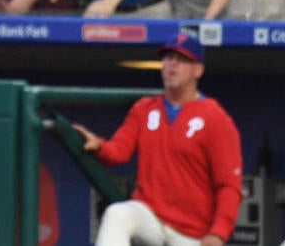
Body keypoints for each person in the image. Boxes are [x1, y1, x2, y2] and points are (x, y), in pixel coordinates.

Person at [72, 35, 243, 246]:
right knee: (118, 213)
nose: (172, 65)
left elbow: (229, 186)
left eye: (182, 60)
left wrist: (218, 233)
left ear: (198, 70)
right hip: (151, 218)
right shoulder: (145, 108)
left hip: (191, 233)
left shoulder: (215, 118)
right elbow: (119, 150)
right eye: (169, 58)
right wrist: (99, 146)